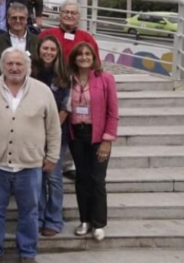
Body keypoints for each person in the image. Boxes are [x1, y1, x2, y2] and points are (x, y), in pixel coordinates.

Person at [0, 48, 62, 263]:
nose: (14, 68)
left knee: (29, 211)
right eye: (10, 64)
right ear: (2, 66)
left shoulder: (43, 91)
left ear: (27, 66)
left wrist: (52, 156)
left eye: (19, 64)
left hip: (30, 164)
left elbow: (53, 127)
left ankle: (27, 252)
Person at [67, 42, 119, 242]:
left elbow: (113, 113)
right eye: (80, 54)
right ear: (74, 57)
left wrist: (107, 140)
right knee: (82, 179)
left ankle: (98, 223)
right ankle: (85, 220)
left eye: (87, 54)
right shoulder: (68, 79)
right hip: (77, 135)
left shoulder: (105, 79)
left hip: (98, 136)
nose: (84, 57)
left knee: (97, 180)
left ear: (93, 57)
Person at [33, 35, 70, 238]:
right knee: (37, 178)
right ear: (39, 50)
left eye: (52, 49)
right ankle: (38, 217)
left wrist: (51, 130)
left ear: (58, 52)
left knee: (54, 179)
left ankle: (54, 219)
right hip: (35, 135)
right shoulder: (33, 73)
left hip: (57, 135)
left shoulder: (65, 76)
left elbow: (66, 107)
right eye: (45, 49)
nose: (48, 53)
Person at [0, 3, 41, 70]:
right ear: (8, 20)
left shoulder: (37, 41)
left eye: (21, 18)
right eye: (14, 18)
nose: (18, 21)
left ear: (26, 20)